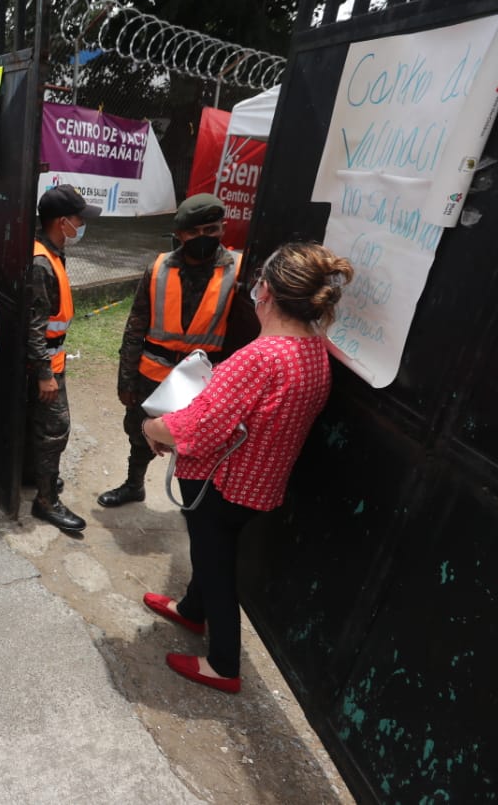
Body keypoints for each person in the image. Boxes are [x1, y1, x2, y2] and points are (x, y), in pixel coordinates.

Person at [141, 243, 354, 693]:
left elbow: (197, 427)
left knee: (215, 566)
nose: (254, 290)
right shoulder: (315, 350)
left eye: (259, 283)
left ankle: (223, 665)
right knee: (212, 552)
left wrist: (152, 426)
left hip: (222, 482)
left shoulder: (261, 355)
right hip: (260, 484)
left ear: (268, 294)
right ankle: (191, 611)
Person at [98, 193, 255, 509]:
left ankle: (192, 500)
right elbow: (135, 327)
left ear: (222, 228)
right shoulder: (157, 268)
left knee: (200, 441)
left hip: (205, 379)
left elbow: (244, 335)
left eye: (211, 229)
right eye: (193, 232)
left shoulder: (239, 270)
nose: (202, 238)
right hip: (153, 372)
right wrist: (125, 380)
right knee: (141, 433)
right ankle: (134, 485)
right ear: (180, 235)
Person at [27, 185, 103, 533]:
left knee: (44, 429)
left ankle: (41, 477)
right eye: (79, 219)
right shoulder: (42, 263)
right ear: (62, 222)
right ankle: (45, 501)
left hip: (52, 359)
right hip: (46, 365)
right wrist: (45, 374)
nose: (82, 225)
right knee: (56, 429)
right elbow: (35, 327)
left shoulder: (52, 252)